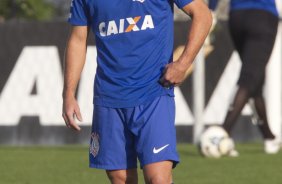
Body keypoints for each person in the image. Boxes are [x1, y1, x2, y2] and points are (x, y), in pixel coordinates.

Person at [62, 0, 212, 183]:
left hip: (154, 93)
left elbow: (203, 14)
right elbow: (77, 40)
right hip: (109, 98)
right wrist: (68, 94)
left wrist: (183, 63)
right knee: (120, 178)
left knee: (158, 179)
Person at [209, 0, 280, 154]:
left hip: (237, 17)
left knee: (255, 81)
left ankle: (269, 137)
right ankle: (222, 134)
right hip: (263, 16)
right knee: (249, 79)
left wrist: (212, 11)